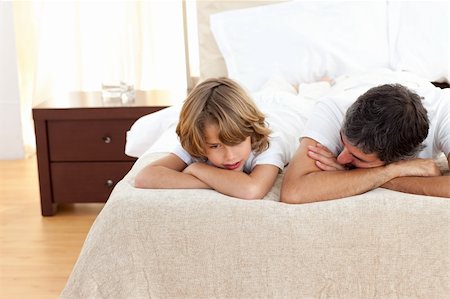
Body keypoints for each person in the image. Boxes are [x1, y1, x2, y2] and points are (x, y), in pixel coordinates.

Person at [281, 74, 450, 203]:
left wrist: (368, 176)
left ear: (401, 159)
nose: (341, 158)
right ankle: (324, 83)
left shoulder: (445, 111)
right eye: (342, 141)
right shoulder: (333, 108)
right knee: (307, 101)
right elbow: (293, 191)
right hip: (350, 83)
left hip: (414, 77)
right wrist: (391, 171)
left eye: (357, 157)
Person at [135, 77, 292, 199]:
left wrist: (197, 169)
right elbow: (144, 178)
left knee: (288, 93)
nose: (230, 157)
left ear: (250, 133)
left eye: (236, 142)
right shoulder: (201, 137)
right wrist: (216, 182)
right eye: (215, 146)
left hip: (290, 111)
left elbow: (252, 190)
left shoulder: (270, 141)